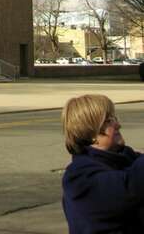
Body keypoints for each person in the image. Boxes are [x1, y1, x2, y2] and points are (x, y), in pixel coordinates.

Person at [61, 94, 144, 233]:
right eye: (108, 121)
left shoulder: (124, 157)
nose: (118, 125)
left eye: (115, 118)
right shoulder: (79, 178)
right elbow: (130, 187)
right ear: (91, 133)